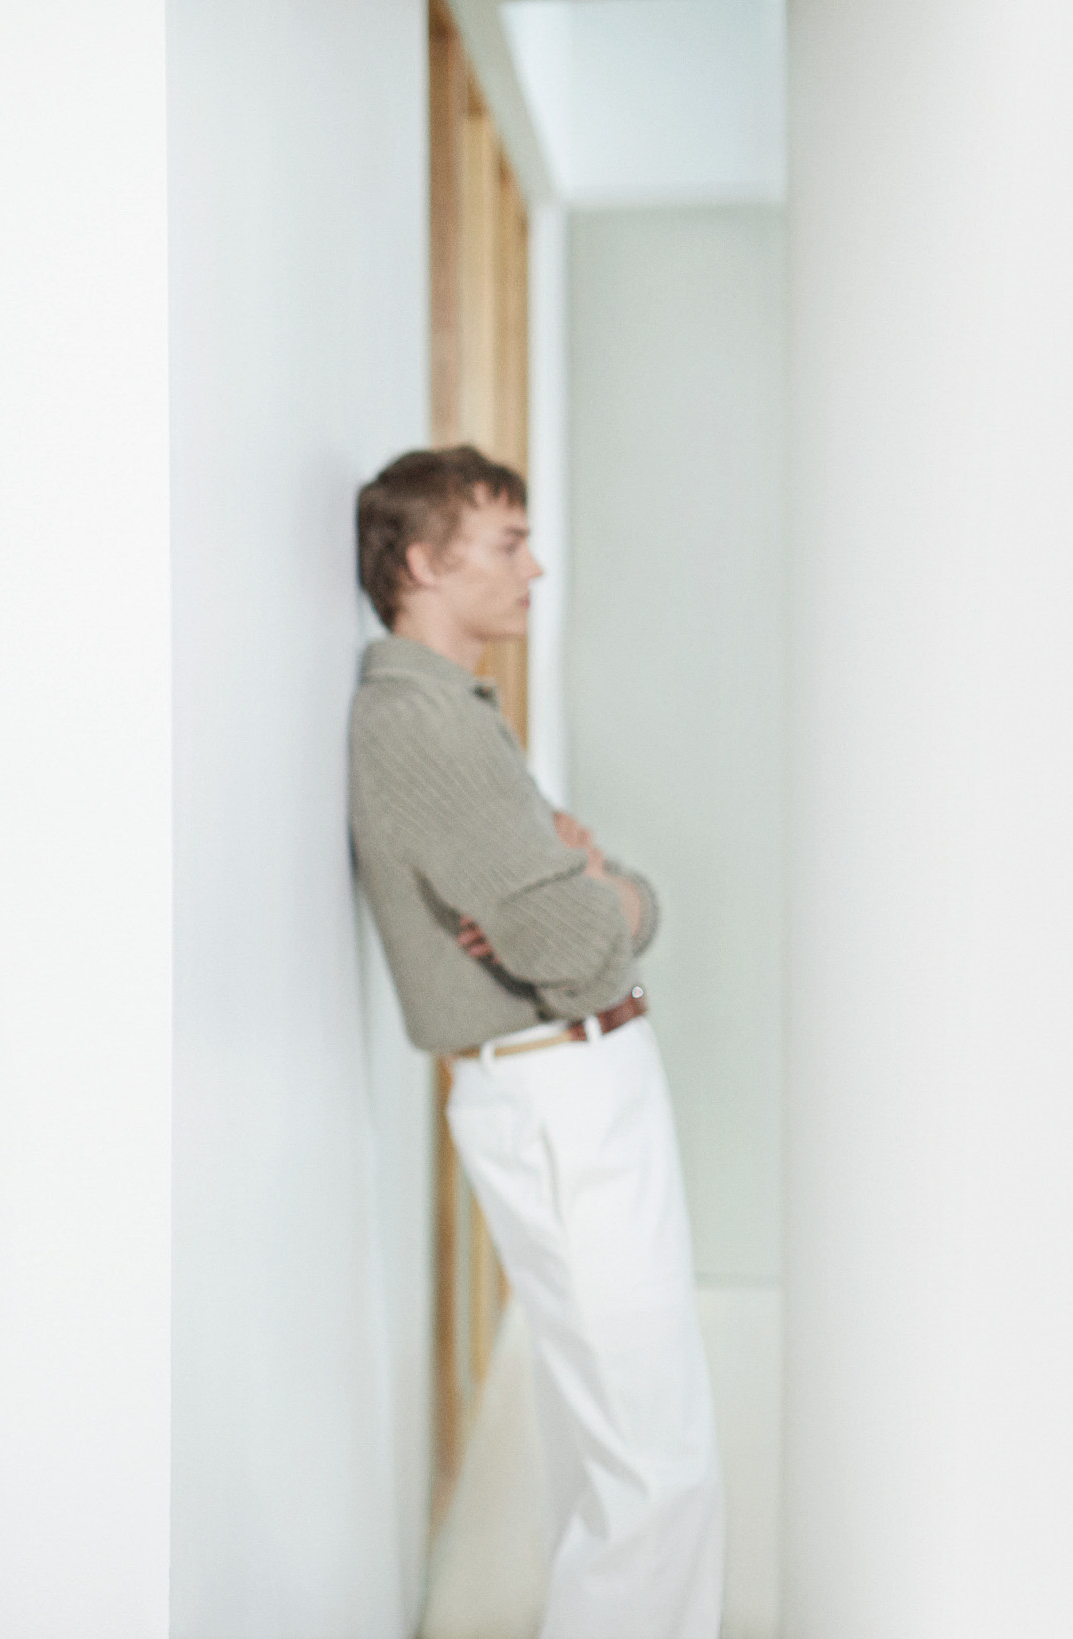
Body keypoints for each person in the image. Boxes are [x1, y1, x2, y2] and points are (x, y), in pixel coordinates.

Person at [348, 447, 722, 1638]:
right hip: (555, 1089)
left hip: (569, 1077)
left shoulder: (450, 709)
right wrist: (610, 891)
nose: (534, 568)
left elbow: (563, 912)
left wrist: (582, 888)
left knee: (617, 1444)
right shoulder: (419, 723)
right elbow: (572, 938)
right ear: (422, 562)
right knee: (655, 1462)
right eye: (506, 544)